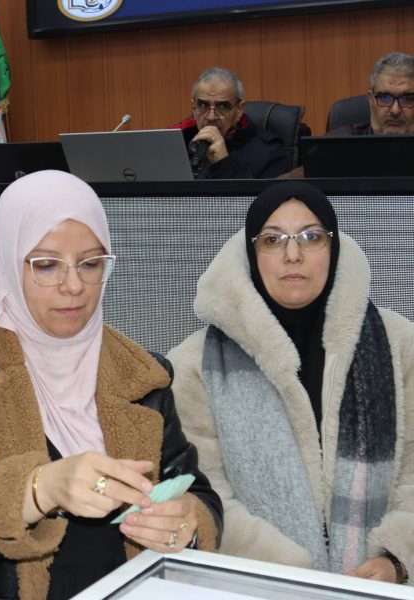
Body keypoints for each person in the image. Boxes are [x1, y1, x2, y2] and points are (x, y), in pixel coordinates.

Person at [0, 170, 222, 600]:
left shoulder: (140, 373)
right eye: (46, 265)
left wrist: (186, 523)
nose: (74, 286)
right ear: (11, 262)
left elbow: (194, 491)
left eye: (91, 263)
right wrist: (39, 488)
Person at [168, 181, 413, 585]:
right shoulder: (193, 367)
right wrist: (293, 576)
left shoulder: (400, 345)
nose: (293, 254)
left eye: (311, 237)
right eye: (272, 239)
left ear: (334, 248)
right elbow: (202, 493)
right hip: (256, 587)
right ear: (252, 254)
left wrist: (398, 560)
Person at [173, 67, 292, 179]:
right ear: (194, 108)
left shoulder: (269, 153)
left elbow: (266, 195)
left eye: (222, 107)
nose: (211, 117)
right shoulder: (180, 143)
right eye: (203, 105)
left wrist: (226, 164)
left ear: (239, 110)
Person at [332, 52, 414, 135]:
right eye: (385, 98)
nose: (395, 110)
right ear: (371, 99)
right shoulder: (338, 140)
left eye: (407, 99)